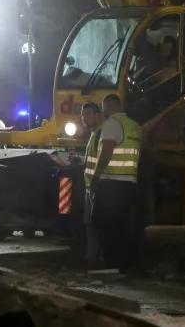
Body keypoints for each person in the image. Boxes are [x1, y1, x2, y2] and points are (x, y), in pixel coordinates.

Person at [88, 93, 143, 271]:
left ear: (107, 107)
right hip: (129, 182)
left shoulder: (112, 123)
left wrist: (96, 176)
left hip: (111, 182)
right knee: (121, 224)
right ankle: (124, 263)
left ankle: (110, 261)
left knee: (100, 220)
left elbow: (107, 152)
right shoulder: (134, 126)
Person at [80, 101, 104, 263]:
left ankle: (98, 256)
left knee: (96, 222)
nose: (84, 118)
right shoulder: (94, 134)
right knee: (89, 221)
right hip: (90, 186)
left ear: (98, 115)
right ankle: (92, 255)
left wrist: (96, 181)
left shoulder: (101, 134)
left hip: (97, 186)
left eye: (88, 114)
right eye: (83, 115)